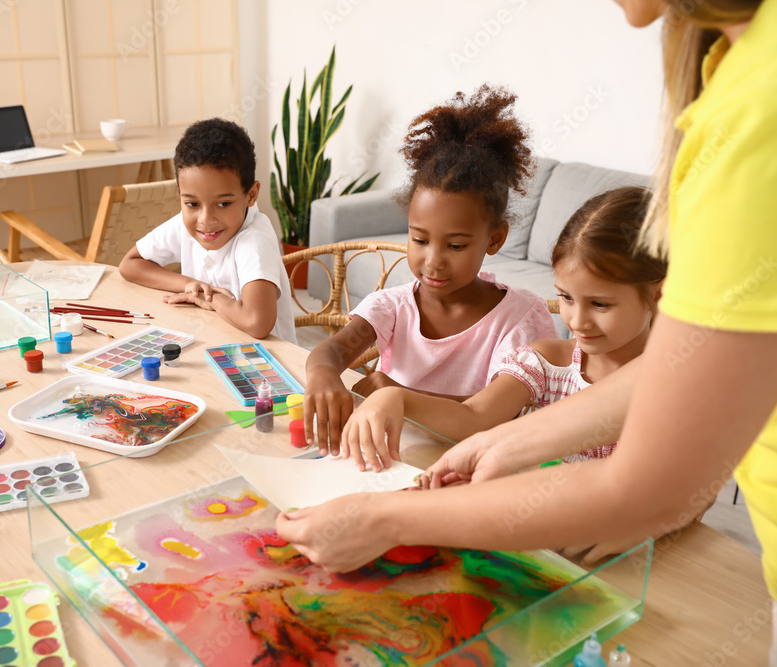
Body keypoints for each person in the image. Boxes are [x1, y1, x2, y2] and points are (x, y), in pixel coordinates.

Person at [278, 1, 777, 659]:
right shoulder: (736, 72)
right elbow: (680, 370)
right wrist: (511, 441)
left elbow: (645, 483)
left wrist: (384, 516)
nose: (574, 319)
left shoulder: (755, 110)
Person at [339, 187, 666, 472]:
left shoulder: (676, 381)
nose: (577, 321)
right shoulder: (548, 362)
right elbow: (474, 418)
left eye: (599, 304)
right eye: (566, 297)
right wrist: (398, 398)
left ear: (660, 294)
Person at [304, 85, 556, 455]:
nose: (433, 261)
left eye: (455, 246)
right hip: (391, 455)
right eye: (419, 239)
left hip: (471, 467)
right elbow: (332, 350)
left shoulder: (519, 321)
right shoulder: (392, 306)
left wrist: (397, 394)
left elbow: (489, 415)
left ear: (495, 239)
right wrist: (323, 374)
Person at [119, 118, 296, 343]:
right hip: (214, 343)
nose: (205, 220)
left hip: (269, 365)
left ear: (250, 195)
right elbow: (129, 264)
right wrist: (190, 286)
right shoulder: (187, 225)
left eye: (223, 204)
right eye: (192, 204)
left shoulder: (254, 241)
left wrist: (211, 298)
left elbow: (257, 323)